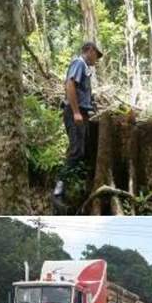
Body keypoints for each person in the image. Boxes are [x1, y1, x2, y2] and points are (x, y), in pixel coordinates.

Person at [53, 41, 103, 199]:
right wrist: (76, 112)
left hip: (83, 112)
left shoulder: (85, 68)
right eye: (96, 55)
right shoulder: (79, 63)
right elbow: (70, 85)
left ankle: (79, 184)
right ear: (89, 50)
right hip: (75, 112)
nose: (97, 59)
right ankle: (60, 184)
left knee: (83, 149)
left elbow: (82, 92)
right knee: (76, 150)